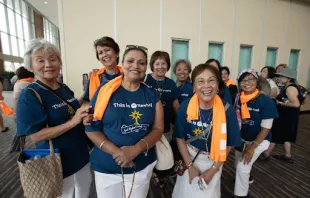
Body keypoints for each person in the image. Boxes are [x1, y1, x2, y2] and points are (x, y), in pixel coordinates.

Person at [16, 39, 92, 198]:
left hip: (81, 156)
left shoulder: (63, 87)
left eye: (52, 59)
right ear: (31, 66)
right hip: (56, 163)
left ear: (59, 62)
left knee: (83, 193)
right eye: (40, 60)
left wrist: (86, 96)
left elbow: (70, 108)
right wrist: (73, 122)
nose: (48, 64)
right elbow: (36, 135)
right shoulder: (30, 95)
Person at [85, 45, 164, 198]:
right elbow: (91, 128)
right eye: (130, 61)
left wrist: (135, 150)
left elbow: (158, 129)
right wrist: (119, 153)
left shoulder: (151, 94)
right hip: (106, 167)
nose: (135, 66)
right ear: (123, 63)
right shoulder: (105, 91)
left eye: (141, 63)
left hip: (140, 166)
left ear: (145, 67)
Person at [172, 64, 241, 198]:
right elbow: (179, 138)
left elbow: (229, 144)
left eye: (211, 80)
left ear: (217, 84)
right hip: (190, 156)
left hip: (214, 160)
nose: (206, 86)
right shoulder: (185, 106)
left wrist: (213, 170)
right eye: (200, 81)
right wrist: (190, 166)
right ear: (193, 87)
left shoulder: (227, 111)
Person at [234, 69, 278, 198]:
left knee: (242, 167)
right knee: (238, 165)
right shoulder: (237, 97)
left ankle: (241, 194)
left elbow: (266, 129)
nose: (247, 82)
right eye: (243, 80)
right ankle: (245, 179)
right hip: (242, 139)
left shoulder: (266, 101)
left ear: (257, 81)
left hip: (260, 140)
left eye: (251, 79)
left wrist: (251, 149)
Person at [263, 68, 303, 163]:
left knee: (276, 133)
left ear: (288, 78)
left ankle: (266, 154)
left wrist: (280, 103)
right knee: (285, 135)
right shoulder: (292, 86)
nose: (279, 78)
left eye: (281, 76)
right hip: (289, 115)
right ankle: (287, 155)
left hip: (286, 115)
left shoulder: (290, 88)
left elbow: (296, 104)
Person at [145, 51, 180, 141]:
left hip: (166, 129)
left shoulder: (171, 83)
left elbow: (175, 105)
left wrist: (181, 120)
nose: (160, 67)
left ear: (168, 65)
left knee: (165, 154)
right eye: (157, 64)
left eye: (163, 63)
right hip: (147, 129)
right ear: (152, 65)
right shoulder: (145, 80)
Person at [83, 36, 122, 102]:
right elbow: (87, 101)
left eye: (107, 50)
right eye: (100, 53)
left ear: (117, 53)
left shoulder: (127, 75)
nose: (104, 55)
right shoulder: (94, 77)